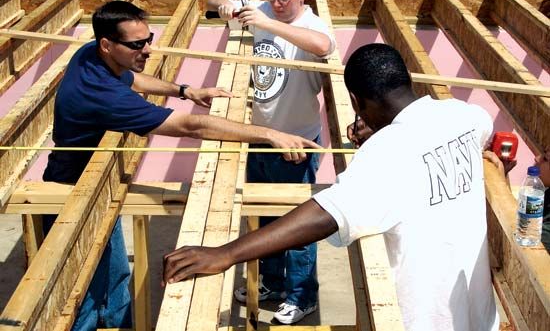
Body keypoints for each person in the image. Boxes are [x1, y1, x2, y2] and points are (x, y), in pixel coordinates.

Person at [163, 43, 500, 331]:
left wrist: (226, 253)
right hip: (479, 316)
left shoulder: (385, 153)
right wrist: (384, 130)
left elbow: (324, 213)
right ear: (406, 79)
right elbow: (465, 135)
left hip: (421, 320)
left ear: (356, 101)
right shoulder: (463, 115)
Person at [41, 0, 319, 331]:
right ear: (107, 44)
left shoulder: (91, 55)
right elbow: (193, 128)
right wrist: (268, 134)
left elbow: (131, 79)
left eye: (149, 39)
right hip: (72, 198)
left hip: (96, 184)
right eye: (136, 45)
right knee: (87, 301)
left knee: (115, 282)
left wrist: (185, 90)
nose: (147, 50)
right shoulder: (100, 93)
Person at [206, 0, 335, 324]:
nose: (276, 3)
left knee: (297, 226)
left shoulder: (310, 24)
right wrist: (226, 5)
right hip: (263, 136)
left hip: (296, 142)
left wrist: (268, 23)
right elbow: (212, 0)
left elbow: (323, 44)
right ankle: (274, 283)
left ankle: (302, 295)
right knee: (266, 219)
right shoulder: (261, 9)